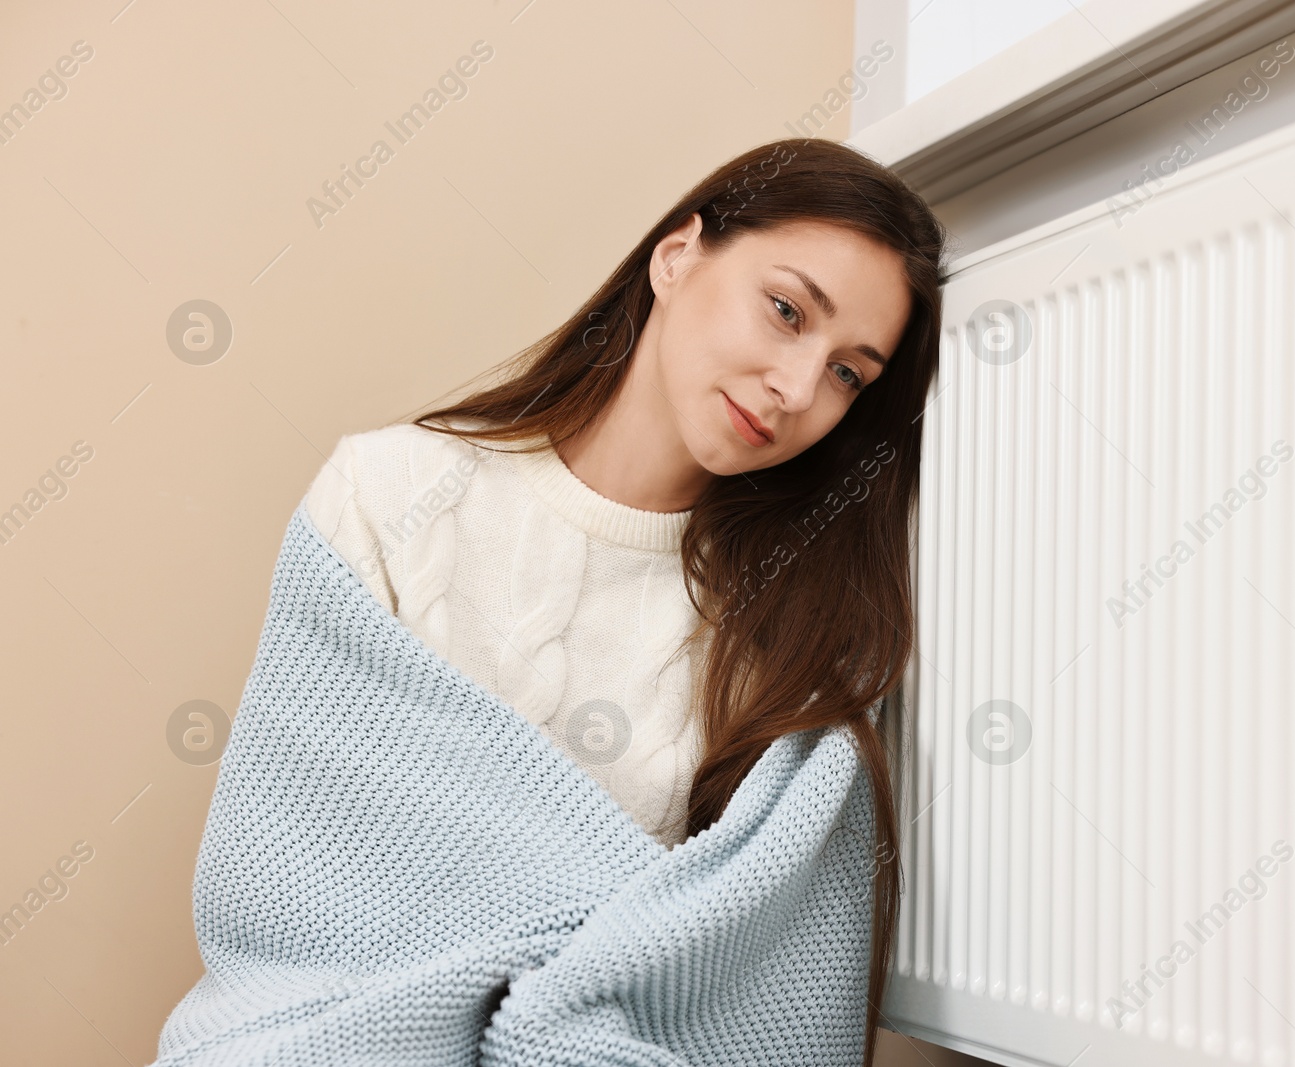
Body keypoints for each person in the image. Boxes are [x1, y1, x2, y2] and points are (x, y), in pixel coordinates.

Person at [302, 136, 949, 1062]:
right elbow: (299, 878)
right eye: (785, 310)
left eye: (850, 372)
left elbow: (758, 994)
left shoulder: (807, 635)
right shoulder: (387, 493)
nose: (799, 387)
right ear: (677, 256)